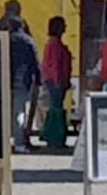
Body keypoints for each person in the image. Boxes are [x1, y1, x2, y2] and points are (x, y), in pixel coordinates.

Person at [6, 16, 41, 154]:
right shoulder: (28, 41)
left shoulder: (6, 39)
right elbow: (34, 61)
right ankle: (19, 143)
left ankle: (4, 143)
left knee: (5, 113)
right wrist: (38, 79)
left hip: (5, 79)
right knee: (19, 112)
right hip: (23, 80)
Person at [41, 16, 72, 148]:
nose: (65, 27)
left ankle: (52, 135)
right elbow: (55, 64)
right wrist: (58, 80)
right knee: (56, 109)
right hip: (56, 81)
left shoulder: (53, 43)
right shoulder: (54, 44)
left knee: (55, 108)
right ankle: (55, 136)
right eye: (63, 25)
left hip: (56, 80)